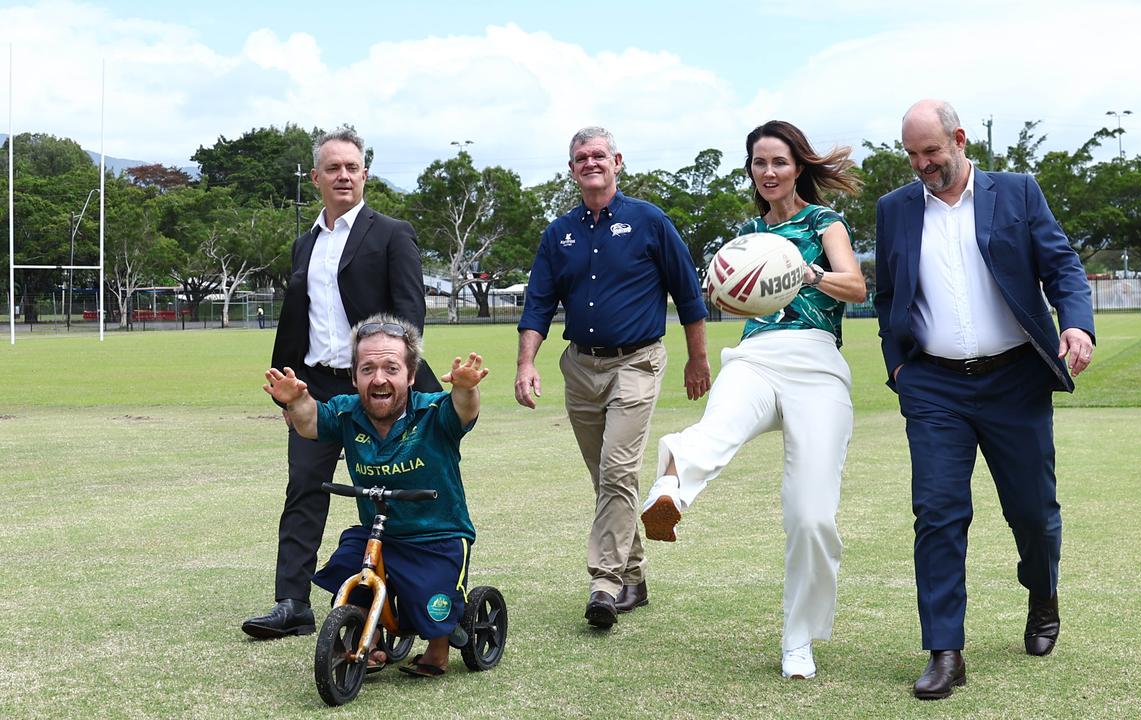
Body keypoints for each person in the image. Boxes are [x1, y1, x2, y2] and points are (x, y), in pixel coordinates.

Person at [874, 99, 1095, 700]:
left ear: (960, 140)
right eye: (912, 155)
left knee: (1032, 511)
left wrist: (1077, 324)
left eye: (932, 152)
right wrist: (900, 368)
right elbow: (889, 293)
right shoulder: (893, 209)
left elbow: (1062, 266)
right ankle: (945, 650)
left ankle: (1042, 590)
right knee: (939, 513)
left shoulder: (1018, 193)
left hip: (1015, 379)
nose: (922, 165)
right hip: (934, 386)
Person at [639, 120, 867, 680]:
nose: (768, 173)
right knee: (719, 427)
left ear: (799, 167)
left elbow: (857, 287)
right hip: (759, 357)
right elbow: (738, 308)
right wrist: (730, 292)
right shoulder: (745, 234)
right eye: (759, 163)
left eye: (779, 162)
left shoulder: (824, 222)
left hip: (816, 364)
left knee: (812, 518)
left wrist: (805, 273)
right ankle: (671, 485)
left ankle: (798, 642)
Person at [243, 128, 442, 640]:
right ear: (316, 178)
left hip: (375, 391)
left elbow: (409, 319)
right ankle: (292, 602)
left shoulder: (392, 233)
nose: (344, 176)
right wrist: (286, 386)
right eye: (333, 168)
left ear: (365, 175)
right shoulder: (304, 243)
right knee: (304, 489)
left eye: (352, 167)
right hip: (314, 388)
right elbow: (297, 316)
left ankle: (400, 603)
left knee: (390, 495)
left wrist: (395, 385)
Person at [515, 126, 711, 630]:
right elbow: (538, 304)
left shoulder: (649, 221)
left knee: (617, 471)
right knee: (605, 477)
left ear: (617, 161)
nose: (590, 162)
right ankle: (636, 577)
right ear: (572, 168)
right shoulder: (558, 232)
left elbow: (688, 294)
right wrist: (526, 363)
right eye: (581, 157)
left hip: (637, 362)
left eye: (598, 154)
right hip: (580, 367)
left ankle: (604, 583)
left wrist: (697, 359)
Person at [262, 314, 486, 676]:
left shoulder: (431, 412)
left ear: (410, 375)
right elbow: (310, 422)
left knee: (430, 603)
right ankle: (372, 638)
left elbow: (462, 410)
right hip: (379, 535)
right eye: (367, 369)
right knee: (350, 573)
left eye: (391, 368)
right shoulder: (347, 413)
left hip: (437, 535)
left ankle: (439, 650)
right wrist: (295, 401)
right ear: (354, 378)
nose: (379, 378)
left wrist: (464, 388)